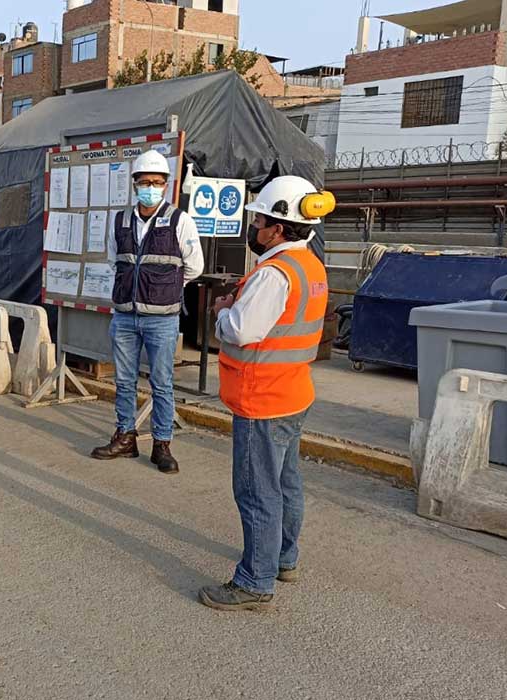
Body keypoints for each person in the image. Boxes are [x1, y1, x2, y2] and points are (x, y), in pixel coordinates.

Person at [198, 175, 334, 612]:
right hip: (293, 393)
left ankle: (255, 581)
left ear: (277, 228)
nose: (253, 226)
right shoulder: (309, 264)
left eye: (258, 219)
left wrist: (222, 314)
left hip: (263, 399)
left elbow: (244, 330)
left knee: (258, 491)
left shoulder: (274, 273)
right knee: (286, 482)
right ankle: (283, 558)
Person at [91, 150, 204, 474]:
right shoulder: (120, 220)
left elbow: (194, 267)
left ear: (166, 186)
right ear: (135, 185)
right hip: (125, 316)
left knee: (161, 383)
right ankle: (126, 436)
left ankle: (162, 445)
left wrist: (164, 287)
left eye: (156, 183)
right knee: (124, 381)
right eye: (145, 182)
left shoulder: (180, 221)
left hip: (162, 319)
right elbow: (114, 260)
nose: (150, 187)